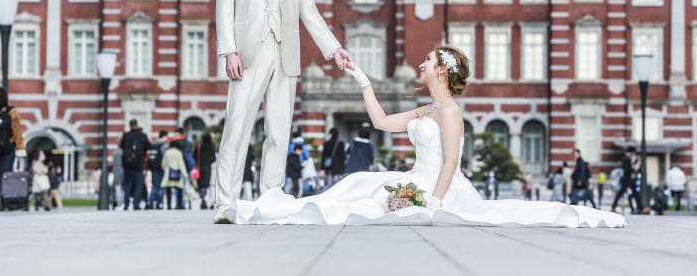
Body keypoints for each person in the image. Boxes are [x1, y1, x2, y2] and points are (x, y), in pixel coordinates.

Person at [227, 46, 625, 228]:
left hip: (438, 186)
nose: (421, 64)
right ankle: (283, 209)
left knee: (364, 195)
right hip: (416, 180)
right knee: (355, 184)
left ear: (442, 72)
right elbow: (382, 122)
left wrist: (433, 200)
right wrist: (363, 81)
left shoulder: (450, 111)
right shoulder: (428, 110)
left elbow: (451, 162)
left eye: (429, 61)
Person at [213, 0, 354, 224]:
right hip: (248, 54)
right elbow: (223, 8)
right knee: (237, 126)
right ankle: (225, 204)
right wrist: (229, 51)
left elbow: (310, 11)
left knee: (279, 130)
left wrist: (334, 48)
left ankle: (270, 199)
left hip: (285, 54)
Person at [120, 119, 152, 210]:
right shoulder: (142, 135)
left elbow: (122, 146)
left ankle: (126, 203)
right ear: (137, 125)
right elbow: (149, 146)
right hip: (139, 164)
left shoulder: (126, 135)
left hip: (128, 164)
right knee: (138, 184)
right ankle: (136, 204)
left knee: (127, 184)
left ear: (129, 125)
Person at [611, 146, 650, 215]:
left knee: (620, 194)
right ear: (631, 151)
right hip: (628, 179)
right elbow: (627, 169)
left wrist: (636, 161)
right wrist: (635, 169)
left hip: (627, 179)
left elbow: (629, 166)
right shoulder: (626, 158)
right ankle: (641, 209)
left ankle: (613, 208)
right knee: (636, 194)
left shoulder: (627, 158)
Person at [161, 135, 188, 209]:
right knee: (179, 190)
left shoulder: (167, 152)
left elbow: (163, 163)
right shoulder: (178, 152)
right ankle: (179, 204)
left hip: (168, 173)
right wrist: (185, 173)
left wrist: (165, 170)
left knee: (168, 190)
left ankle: (169, 205)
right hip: (177, 174)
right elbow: (181, 163)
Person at [147, 130, 169, 209]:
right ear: (164, 135)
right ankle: (159, 203)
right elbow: (166, 157)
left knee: (154, 185)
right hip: (161, 168)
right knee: (160, 186)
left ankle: (151, 202)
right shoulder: (164, 145)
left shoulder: (153, 144)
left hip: (153, 168)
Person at [196, 133, 217, 209]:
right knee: (208, 184)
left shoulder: (199, 147)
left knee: (201, 185)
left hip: (199, 168)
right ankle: (209, 201)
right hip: (207, 168)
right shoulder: (211, 148)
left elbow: (194, 156)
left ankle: (203, 200)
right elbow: (213, 158)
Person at [111, 139, 124, 209]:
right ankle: (123, 202)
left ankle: (119, 203)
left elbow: (113, 165)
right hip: (124, 172)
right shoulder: (125, 152)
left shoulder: (115, 153)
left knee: (118, 189)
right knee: (124, 189)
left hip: (117, 172)